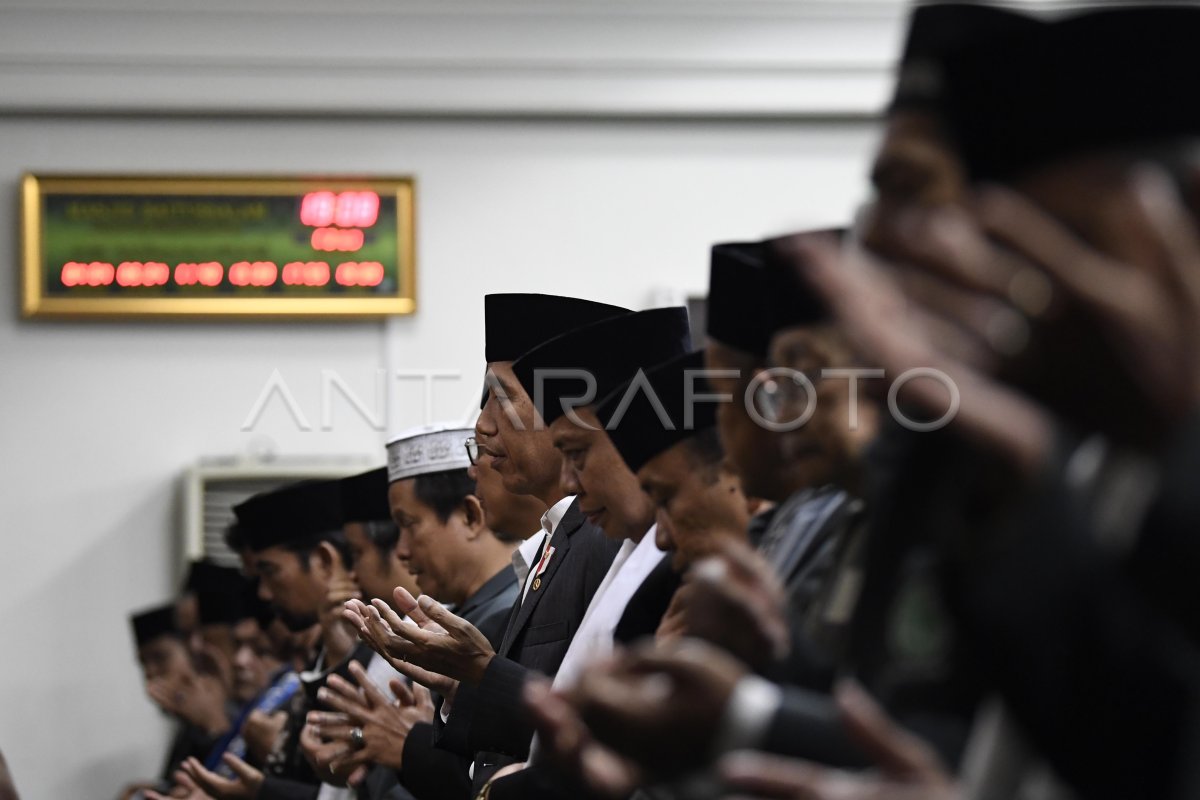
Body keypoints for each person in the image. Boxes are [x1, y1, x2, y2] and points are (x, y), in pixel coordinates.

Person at [345, 293, 625, 793]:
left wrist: (479, 673)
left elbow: (602, 734)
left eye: (502, 397)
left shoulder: (605, 539)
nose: (483, 424)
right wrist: (461, 684)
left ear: (568, 412)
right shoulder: (558, 538)